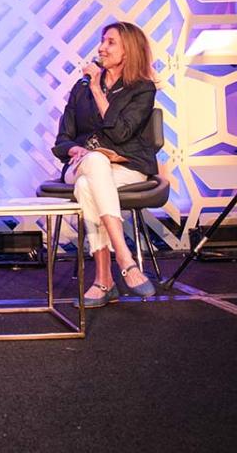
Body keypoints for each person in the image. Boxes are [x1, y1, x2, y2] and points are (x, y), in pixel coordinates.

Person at [53, 21, 158, 307]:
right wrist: (75, 149)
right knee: (93, 162)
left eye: (110, 42)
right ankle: (125, 257)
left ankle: (104, 281)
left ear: (129, 50)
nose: (101, 48)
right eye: (102, 41)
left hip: (126, 165)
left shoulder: (142, 89)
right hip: (81, 163)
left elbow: (122, 132)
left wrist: (99, 91)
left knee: (89, 185)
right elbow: (62, 138)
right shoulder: (80, 88)